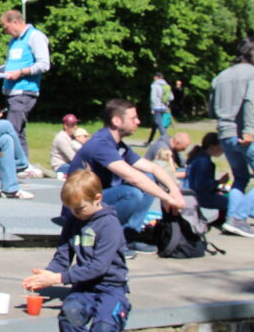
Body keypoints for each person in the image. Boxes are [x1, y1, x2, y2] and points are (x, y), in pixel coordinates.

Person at [22, 170, 158, 332]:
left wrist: (59, 278)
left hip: (110, 289)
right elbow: (63, 256)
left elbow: (98, 267)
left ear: (98, 199)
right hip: (84, 288)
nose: (76, 214)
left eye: (80, 208)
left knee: (103, 331)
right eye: (71, 209)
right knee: (69, 315)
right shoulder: (74, 221)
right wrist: (47, 275)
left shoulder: (110, 225)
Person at [70, 99, 186, 256]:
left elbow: (152, 167)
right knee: (131, 193)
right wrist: (167, 198)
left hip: (100, 198)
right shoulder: (100, 144)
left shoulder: (118, 145)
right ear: (116, 121)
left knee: (150, 178)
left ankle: (128, 236)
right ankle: (106, 240)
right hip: (80, 205)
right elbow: (133, 178)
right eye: (133, 118)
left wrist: (173, 190)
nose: (138, 121)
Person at [210, 38, 254, 238]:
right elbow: (250, 100)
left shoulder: (221, 76)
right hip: (247, 134)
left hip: (225, 133)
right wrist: (248, 129)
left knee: (240, 178)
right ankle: (238, 218)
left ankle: (232, 219)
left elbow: (212, 107)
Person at [0, 10, 50, 160]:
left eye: (5, 27)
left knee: (11, 131)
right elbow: (10, 66)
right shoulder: (14, 41)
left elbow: (44, 64)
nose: (4, 31)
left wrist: (21, 72)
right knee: (18, 133)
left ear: (15, 22)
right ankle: (23, 165)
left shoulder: (35, 36)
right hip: (11, 93)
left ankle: (14, 167)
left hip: (24, 92)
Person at [185, 133, 230, 227]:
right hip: (201, 197)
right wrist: (219, 182)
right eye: (221, 146)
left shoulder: (200, 158)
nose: (223, 150)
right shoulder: (203, 162)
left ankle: (221, 219)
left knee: (229, 198)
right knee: (237, 204)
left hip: (198, 195)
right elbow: (201, 185)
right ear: (213, 146)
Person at [145, 72, 174, 144]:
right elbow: (172, 97)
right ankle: (149, 141)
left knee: (159, 124)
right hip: (164, 107)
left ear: (157, 77)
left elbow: (153, 98)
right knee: (155, 124)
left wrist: (152, 107)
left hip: (156, 107)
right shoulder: (166, 86)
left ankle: (167, 140)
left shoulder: (155, 85)